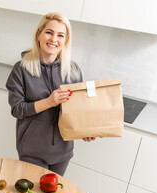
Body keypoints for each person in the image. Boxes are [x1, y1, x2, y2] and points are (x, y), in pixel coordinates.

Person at [6, 12, 96, 176]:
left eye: (60, 35)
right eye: (49, 32)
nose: (54, 39)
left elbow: (78, 111)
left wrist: (84, 131)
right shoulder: (21, 69)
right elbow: (17, 109)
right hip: (32, 152)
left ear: (65, 40)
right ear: (38, 34)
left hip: (63, 152)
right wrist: (49, 101)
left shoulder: (73, 71)